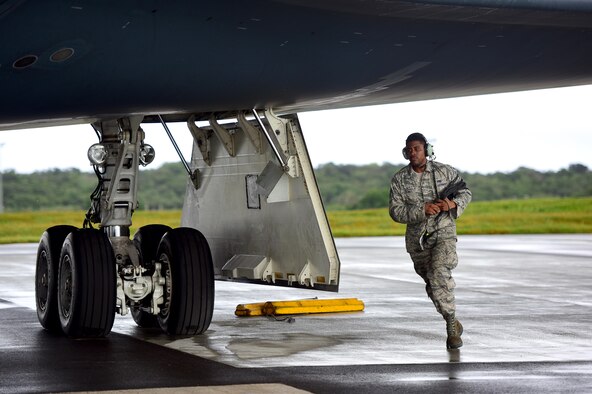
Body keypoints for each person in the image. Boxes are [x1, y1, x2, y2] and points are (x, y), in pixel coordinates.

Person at [389, 132, 472, 349]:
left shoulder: (444, 171)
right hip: (418, 240)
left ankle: (451, 329)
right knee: (433, 285)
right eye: (409, 149)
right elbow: (396, 211)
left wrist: (451, 205)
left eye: (417, 148)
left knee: (439, 274)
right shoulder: (399, 179)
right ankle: (451, 318)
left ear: (426, 149)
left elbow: (465, 192)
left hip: (443, 232)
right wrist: (422, 209)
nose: (413, 152)